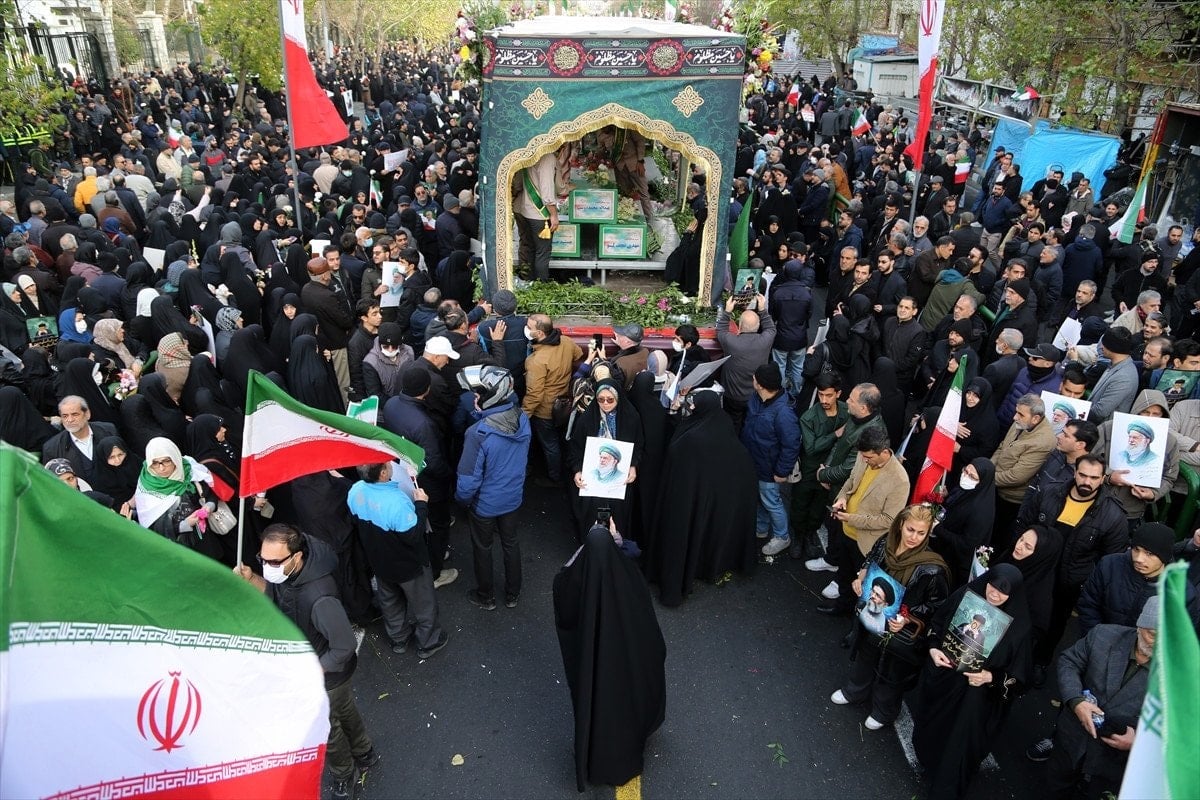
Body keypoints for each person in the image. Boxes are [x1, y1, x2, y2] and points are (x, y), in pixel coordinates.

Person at [234, 523, 378, 800]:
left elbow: (344, 646)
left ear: (297, 556)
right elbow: (276, 597)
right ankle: (364, 752)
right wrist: (252, 579)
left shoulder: (320, 597)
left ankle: (343, 773)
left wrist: (310, 671)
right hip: (324, 672)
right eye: (263, 559)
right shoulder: (288, 573)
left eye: (274, 562)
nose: (268, 567)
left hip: (326, 676)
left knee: (327, 729)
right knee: (344, 710)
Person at [553, 521, 666, 792]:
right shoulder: (628, 579)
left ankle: (595, 762)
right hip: (625, 665)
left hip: (594, 665)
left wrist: (592, 539)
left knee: (594, 707)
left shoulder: (579, 586)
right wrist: (614, 538)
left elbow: (564, 581)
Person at [911, 564, 1032, 800]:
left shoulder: (1020, 626)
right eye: (992, 586)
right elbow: (937, 624)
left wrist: (990, 677)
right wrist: (934, 649)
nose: (994, 594)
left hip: (976, 698)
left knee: (959, 746)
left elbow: (1020, 677)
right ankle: (930, 761)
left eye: (1003, 592)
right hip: (945, 679)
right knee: (934, 731)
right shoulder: (965, 596)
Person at [831, 504, 949, 729]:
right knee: (865, 654)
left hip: (899, 630)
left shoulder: (932, 568)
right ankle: (855, 691)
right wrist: (860, 578)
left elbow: (937, 605)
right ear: (901, 524)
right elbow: (870, 561)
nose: (914, 537)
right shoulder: (886, 542)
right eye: (910, 530)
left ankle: (884, 711)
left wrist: (907, 618)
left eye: (921, 533)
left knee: (892, 671)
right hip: (872, 617)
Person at [645, 388, 757, 606]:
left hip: (688, 499)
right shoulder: (722, 423)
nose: (692, 407)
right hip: (715, 500)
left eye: (695, 404)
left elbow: (676, 452)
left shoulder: (692, 439)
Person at [1043, 596, 1158, 799]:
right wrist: (1076, 701)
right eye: (1153, 635)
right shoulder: (1103, 635)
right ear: (1140, 626)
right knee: (1055, 787)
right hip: (1072, 739)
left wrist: (1140, 741)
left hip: (1114, 762)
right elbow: (1069, 662)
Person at [348, 462, 449, 659]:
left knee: (390, 601)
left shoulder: (355, 491)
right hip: (408, 565)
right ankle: (428, 642)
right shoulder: (397, 501)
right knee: (424, 604)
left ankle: (399, 639)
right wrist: (421, 504)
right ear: (383, 473)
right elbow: (414, 535)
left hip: (379, 561)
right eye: (387, 463)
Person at [457, 366, 531, 610]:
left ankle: (486, 595)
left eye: (478, 394)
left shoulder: (477, 434)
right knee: (511, 543)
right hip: (513, 498)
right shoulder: (522, 419)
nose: (474, 398)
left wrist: (462, 501)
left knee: (483, 548)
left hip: (485, 504)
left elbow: (468, 481)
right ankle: (513, 594)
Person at [821, 426, 910, 610]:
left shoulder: (900, 480)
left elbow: (888, 520)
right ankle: (841, 606)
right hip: (845, 531)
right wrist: (842, 498)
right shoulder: (863, 457)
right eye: (862, 455)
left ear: (883, 452)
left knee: (861, 585)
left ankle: (856, 617)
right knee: (844, 575)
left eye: (868, 457)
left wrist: (851, 518)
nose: (863, 460)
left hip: (865, 544)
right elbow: (851, 481)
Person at [569, 379, 643, 540]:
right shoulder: (587, 419)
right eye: (600, 399)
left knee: (619, 515)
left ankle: (615, 546)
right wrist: (577, 470)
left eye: (610, 399)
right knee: (591, 515)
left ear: (618, 398)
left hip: (619, 481)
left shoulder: (631, 418)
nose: (605, 404)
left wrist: (633, 465)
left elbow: (638, 445)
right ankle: (592, 545)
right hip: (593, 482)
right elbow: (576, 448)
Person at [132, 437, 225, 563]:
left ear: (175, 458)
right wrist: (183, 525)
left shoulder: (189, 469)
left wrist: (209, 506)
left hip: (204, 540)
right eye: (155, 463)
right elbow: (150, 525)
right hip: (176, 551)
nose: (161, 468)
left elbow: (210, 494)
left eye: (166, 461)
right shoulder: (146, 486)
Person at [741, 364, 801, 556]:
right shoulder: (758, 398)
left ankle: (782, 537)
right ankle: (761, 528)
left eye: (755, 378)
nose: (752, 379)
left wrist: (781, 471)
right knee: (760, 499)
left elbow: (791, 445)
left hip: (768, 468)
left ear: (760, 384)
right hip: (755, 462)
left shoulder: (783, 413)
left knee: (771, 502)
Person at [523, 313, 582, 486]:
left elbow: (534, 394)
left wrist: (523, 415)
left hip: (545, 410)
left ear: (540, 333)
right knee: (561, 440)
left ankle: (554, 478)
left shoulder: (536, 361)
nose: (526, 329)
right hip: (564, 404)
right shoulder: (567, 341)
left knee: (550, 445)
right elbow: (578, 355)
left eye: (529, 327)